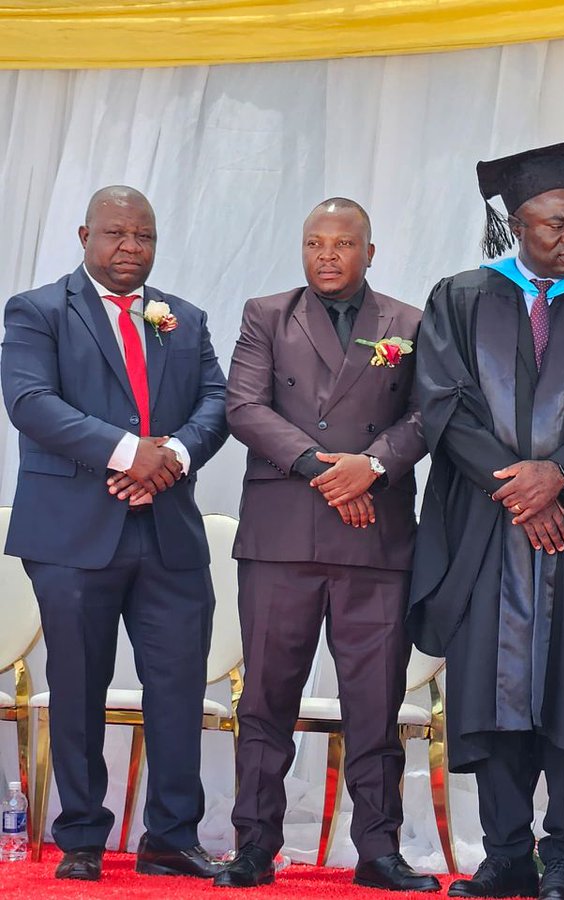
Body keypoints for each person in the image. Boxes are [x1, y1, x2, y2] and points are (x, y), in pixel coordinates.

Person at [408, 139, 564, 900]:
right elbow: (442, 403)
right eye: (555, 224)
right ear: (517, 225)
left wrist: (560, 477)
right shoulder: (460, 296)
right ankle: (505, 852)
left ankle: (563, 860)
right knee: (490, 694)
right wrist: (520, 491)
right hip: (488, 527)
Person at [1, 186, 228, 881]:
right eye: (116, 233)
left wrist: (175, 457)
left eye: (144, 236)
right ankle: (82, 838)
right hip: (72, 536)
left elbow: (216, 401)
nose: (131, 247)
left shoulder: (182, 318)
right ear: (83, 234)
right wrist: (134, 452)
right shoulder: (37, 311)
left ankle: (170, 836)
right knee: (76, 685)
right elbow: (31, 403)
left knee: (177, 685)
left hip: (168, 534)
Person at [217, 199, 435, 891]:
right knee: (266, 700)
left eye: (343, 244)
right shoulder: (266, 314)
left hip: (377, 539)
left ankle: (378, 850)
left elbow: (430, 414)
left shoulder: (410, 322)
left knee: (375, 703)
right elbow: (244, 407)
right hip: (284, 535)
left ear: (370, 251)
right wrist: (323, 468)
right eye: (315, 243)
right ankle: (254, 845)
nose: (327, 255)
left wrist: (368, 466)